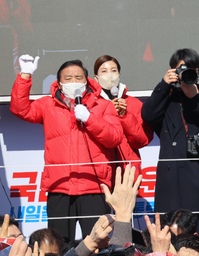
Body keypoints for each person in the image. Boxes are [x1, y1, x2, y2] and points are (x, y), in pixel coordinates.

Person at [10, 56, 123, 242]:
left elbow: (114, 138)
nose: (73, 82)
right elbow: (20, 109)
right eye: (68, 78)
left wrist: (89, 119)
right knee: (59, 245)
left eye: (78, 78)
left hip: (94, 187)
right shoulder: (48, 105)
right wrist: (25, 75)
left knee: (98, 245)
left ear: (87, 81)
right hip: (60, 186)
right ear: (59, 83)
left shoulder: (102, 106)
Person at [141, 48, 199, 249]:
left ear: (197, 71)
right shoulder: (165, 97)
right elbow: (148, 115)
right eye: (179, 69)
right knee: (172, 236)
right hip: (172, 179)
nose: (185, 73)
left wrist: (195, 97)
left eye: (190, 69)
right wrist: (164, 85)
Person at [93, 55, 154, 179]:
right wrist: (107, 113)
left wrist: (124, 116)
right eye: (104, 71)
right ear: (96, 78)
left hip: (128, 175)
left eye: (113, 70)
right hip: (99, 176)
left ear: (119, 74)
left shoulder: (134, 104)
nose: (109, 75)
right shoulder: (90, 104)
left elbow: (142, 141)